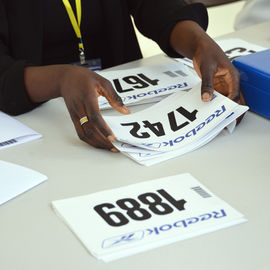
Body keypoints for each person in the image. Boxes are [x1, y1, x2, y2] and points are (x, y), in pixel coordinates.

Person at [0, 0, 243, 152]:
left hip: (124, 106)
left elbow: (156, 7)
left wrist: (198, 43)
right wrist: (61, 79)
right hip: (35, 126)